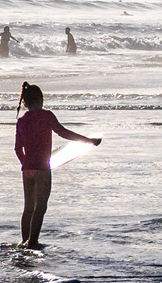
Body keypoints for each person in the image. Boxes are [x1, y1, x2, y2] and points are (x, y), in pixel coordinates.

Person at [13, 81, 100, 250]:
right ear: (40, 99)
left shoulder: (22, 121)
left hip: (27, 170)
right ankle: (32, 243)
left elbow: (17, 149)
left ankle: (25, 242)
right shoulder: (47, 116)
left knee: (28, 208)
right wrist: (88, 141)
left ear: (25, 103)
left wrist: (26, 164)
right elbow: (63, 132)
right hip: (42, 168)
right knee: (41, 207)